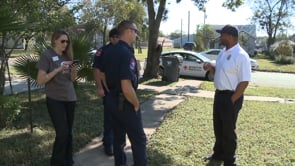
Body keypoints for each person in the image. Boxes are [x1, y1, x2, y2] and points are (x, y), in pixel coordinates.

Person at [203, 25, 251, 166]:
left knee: (228, 131)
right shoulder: (222, 53)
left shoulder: (241, 55)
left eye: (222, 34)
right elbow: (218, 73)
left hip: (231, 97)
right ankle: (218, 154)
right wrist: (211, 68)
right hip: (219, 95)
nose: (220, 37)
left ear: (230, 36)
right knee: (218, 127)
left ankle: (230, 161)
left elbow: (244, 81)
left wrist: (232, 100)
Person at [102, 20, 147, 166]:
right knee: (139, 140)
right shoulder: (126, 53)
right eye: (135, 31)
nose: (136, 34)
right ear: (128, 31)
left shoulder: (108, 51)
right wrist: (136, 104)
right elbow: (126, 86)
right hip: (125, 102)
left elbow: (101, 74)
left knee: (118, 139)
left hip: (112, 101)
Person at [36, 29, 78, 166]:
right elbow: (41, 80)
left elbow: (72, 79)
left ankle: (68, 160)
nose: (65, 44)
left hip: (70, 98)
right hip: (55, 99)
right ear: (55, 40)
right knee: (62, 133)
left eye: (67, 41)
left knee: (69, 133)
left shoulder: (67, 56)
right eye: (62, 41)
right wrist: (58, 70)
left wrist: (73, 71)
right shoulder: (47, 55)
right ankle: (57, 162)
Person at [92, 28, 120, 156]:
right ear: (111, 38)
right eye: (116, 37)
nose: (118, 39)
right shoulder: (102, 51)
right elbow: (97, 70)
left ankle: (114, 141)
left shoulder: (124, 49)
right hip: (108, 89)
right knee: (109, 118)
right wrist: (99, 87)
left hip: (121, 90)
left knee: (118, 118)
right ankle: (108, 144)